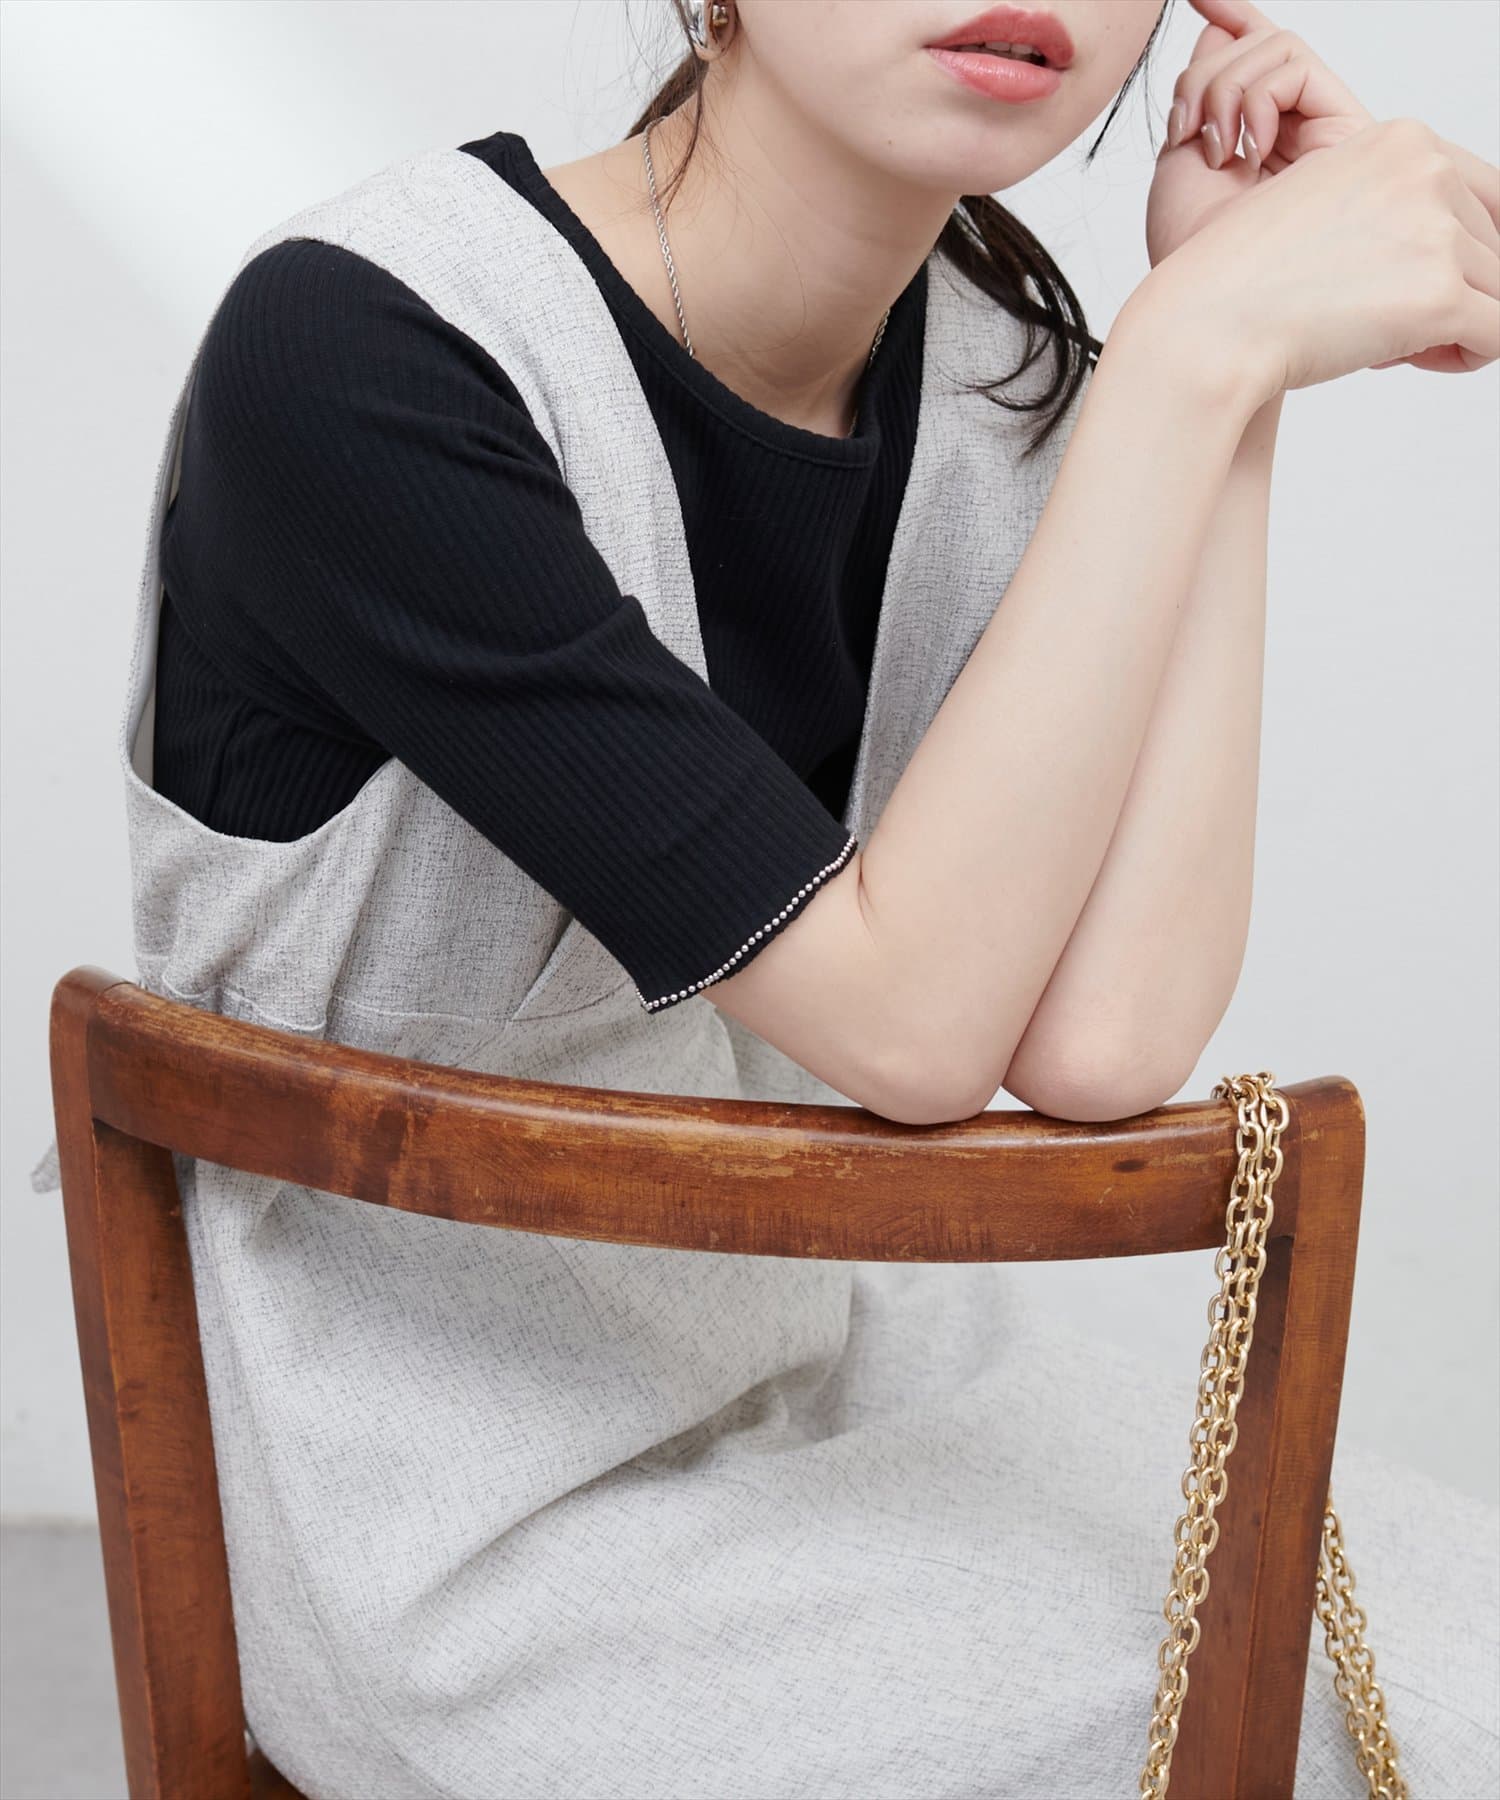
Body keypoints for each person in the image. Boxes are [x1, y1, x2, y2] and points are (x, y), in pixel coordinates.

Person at [35, 0, 1499, 1793]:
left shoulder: (1001, 380)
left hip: (860, 1377)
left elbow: (1106, 1044)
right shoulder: (367, 355)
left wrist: (1225, 376)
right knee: (1359, 1725)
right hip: (466, 1541)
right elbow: (914, 1031)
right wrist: (1196, 347)